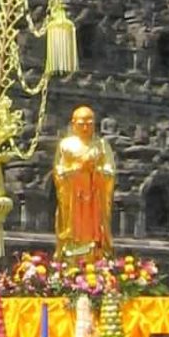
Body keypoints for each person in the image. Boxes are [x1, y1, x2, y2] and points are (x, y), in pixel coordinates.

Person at [52, 105, 115, 261]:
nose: (86, 127)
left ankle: (96, 250)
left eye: (90, 123)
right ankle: (71, 250)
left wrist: (96, 170)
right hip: (73, 195)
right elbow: (58, 171)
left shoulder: (101, 145)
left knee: (94, 225)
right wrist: (77, 168)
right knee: (72, 226)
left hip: (94, 195)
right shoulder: (65, 145)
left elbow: (110, 170)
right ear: (73, 124)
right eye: (81, 124)